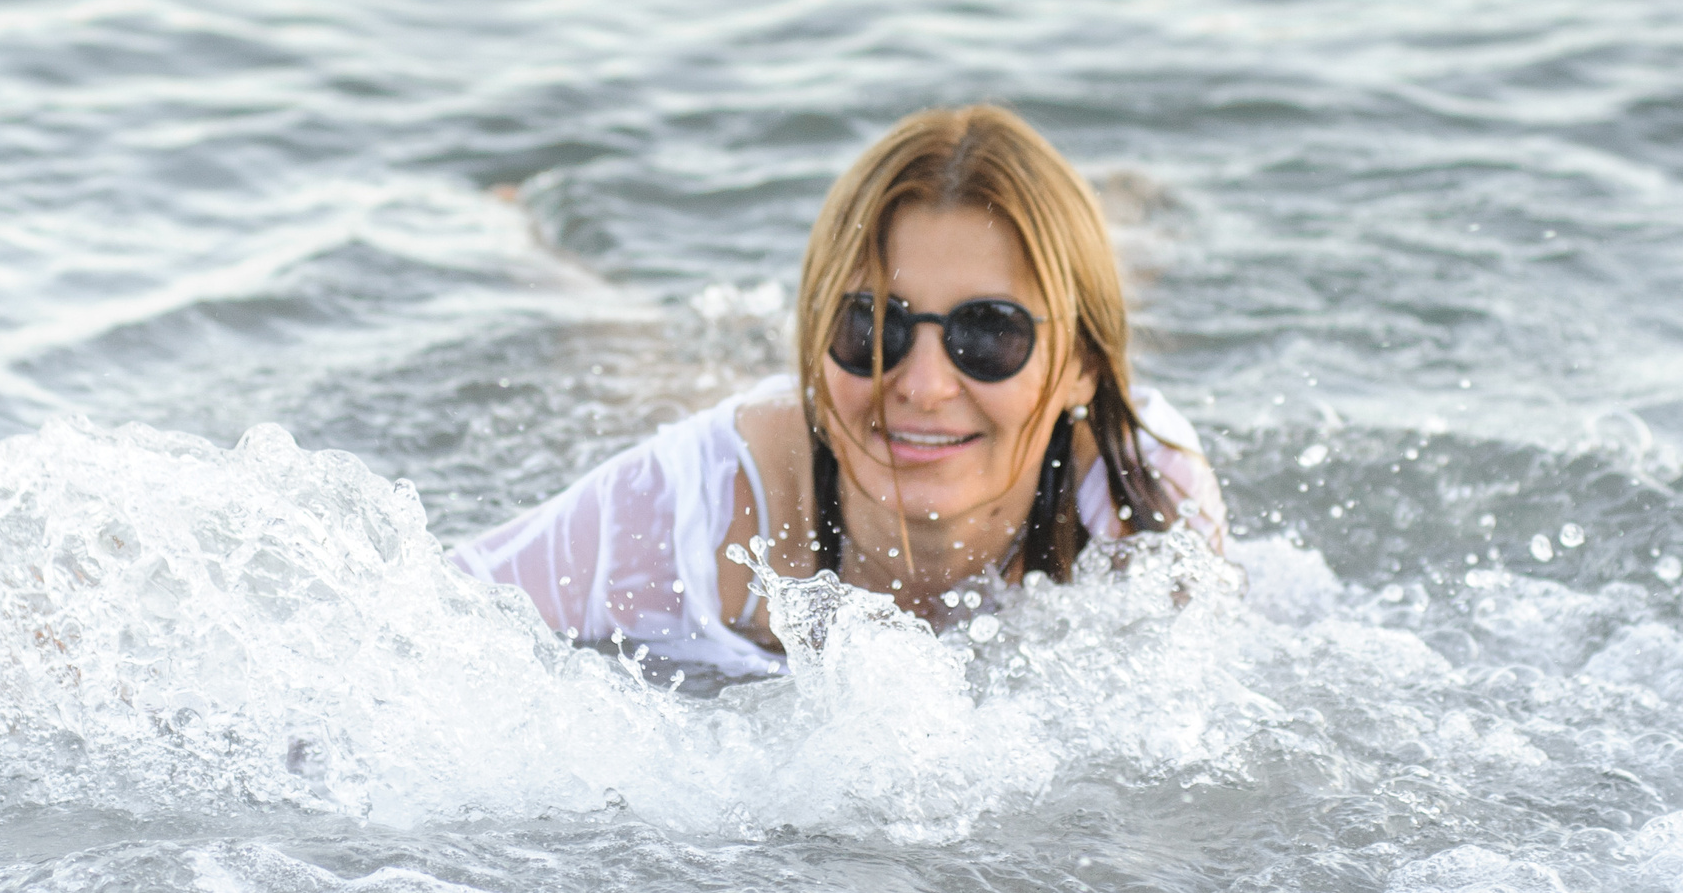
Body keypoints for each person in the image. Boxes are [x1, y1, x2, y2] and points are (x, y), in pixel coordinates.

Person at [450, 105, 1227, 675]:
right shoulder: (694, 507)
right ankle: (530, 245)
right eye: (872, 326)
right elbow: (429, 618)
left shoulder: (1142, 499)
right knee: (640, 366)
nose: (923, 386)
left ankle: (1124, 227)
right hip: (786, 451)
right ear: (818, 335)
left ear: (1082, 364)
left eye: (991, 334)